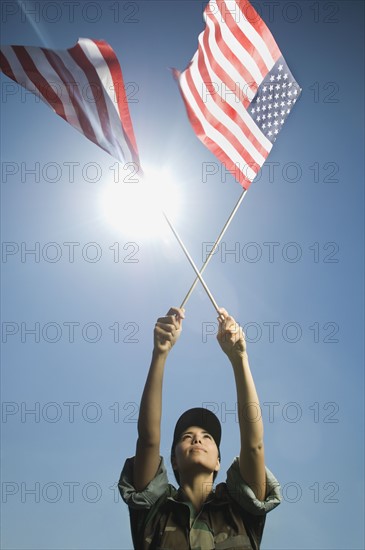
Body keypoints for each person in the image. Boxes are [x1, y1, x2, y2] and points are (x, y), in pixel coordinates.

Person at [119, 307, 281, 549]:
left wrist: (239, 359)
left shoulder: (240, 509)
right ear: (173, 460)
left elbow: (254, 445)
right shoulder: (154, 509)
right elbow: (148, 440)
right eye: (187, 436)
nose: (197, 439)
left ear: (218, 461)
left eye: (207, 437)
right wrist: (160, 353)